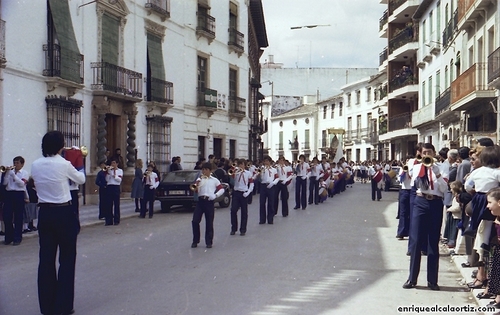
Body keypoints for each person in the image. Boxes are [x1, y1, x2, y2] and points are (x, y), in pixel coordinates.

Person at [31, 130, 85, 315]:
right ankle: (63, 305)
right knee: (67, 259)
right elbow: (81, 179)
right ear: (60, 146)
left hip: (44, 213)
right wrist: (78, 159)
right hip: (63, 211)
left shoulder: (35, 164)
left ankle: (46, 305)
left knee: (46, 260)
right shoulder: (64, 163)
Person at [403, 143, 448, 291]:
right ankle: (412, 278)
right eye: (424, 152)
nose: (426, 154)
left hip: (435, 203)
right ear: (421, 154)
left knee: (433, 241)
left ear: (434, 153)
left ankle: (432, 280)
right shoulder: (416, 167)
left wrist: (437, 174)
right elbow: (416, 184)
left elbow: (445, 188)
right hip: (420, 201)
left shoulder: (442, 167)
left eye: (429, 152)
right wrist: (423, 168)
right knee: (416, 240)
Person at [191, 163, 225, 248]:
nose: (204, 171)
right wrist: (196, 186)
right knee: (195, 221)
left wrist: (215, 195)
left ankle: (209, 242)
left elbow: (221, 189)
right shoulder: (199, 179)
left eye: (206, 170)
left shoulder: (214, 180)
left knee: (209, 222)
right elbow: (195, 190)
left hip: (209, 201)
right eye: (203, 170)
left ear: (210, 171)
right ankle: (195, 240)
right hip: (200, 201)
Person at [2, 156, 29, 246]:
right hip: (9, 194)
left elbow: (22, 184)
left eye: (17, 163)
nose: (15, 165)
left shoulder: (25, 173)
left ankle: (17, 238)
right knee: (7, 216)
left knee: (18, 217)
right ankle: (9, 237)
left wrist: (13, 176)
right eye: (14, 162)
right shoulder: (10, 172)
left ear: (22, 164)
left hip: (19, 194)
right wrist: (6, 174)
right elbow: (5, 184)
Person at [229, 159, 254, 235]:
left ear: (245, 165)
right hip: (236, 192)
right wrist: (234, 171)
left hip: (244, 193)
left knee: (244, 212)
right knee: (233, 210)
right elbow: (231, 179)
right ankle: (234, 228)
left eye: (242, 164)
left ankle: (243, 229)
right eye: (239, 164)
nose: (240, 166)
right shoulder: (236, 172)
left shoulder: (248, 173)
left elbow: (252, 184)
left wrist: (248, 192)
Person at [259, 156, 278, 224]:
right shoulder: (262, 168)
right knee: (262, 203)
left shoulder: (274, 170)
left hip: (271, 186)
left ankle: (270, 219)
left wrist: (273, 183)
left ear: (270, 162)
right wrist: (262, 172)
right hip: (263, 185)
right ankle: (262, 219)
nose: (266, 162)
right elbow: (261, 178)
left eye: (267, 161)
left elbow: (277, 178)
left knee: (271, 203)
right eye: (265, 161)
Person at [105, 158, 123, 226]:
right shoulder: (109, 171)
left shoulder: (120, 171)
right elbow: (107, 179)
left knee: (116, 204)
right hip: (109, 187)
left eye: (114, 163)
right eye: (112, 163)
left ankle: (116, 220)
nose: (113, 164)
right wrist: (108, 173)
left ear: (117, 164)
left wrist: (114, 175)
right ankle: (109, 220)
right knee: (109, 204)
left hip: (116, 187)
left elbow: (119, 180)